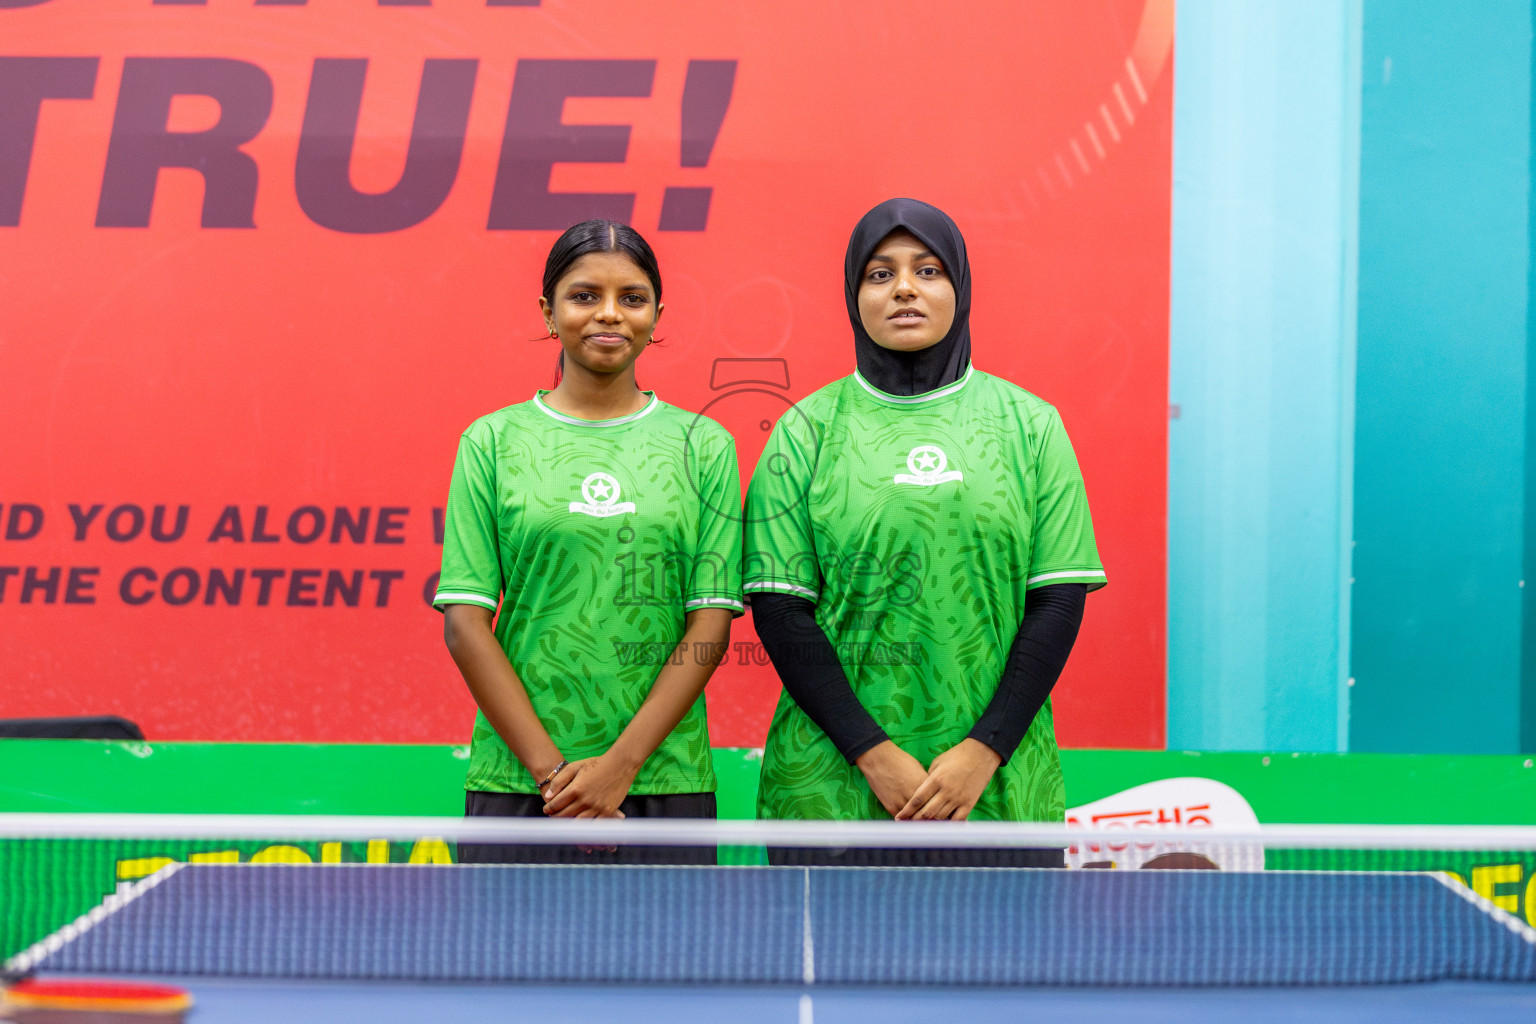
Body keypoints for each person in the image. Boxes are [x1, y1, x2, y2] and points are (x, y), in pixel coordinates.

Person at [743, 198, 1105, 865]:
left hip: (996, 795)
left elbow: (1056, 601)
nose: (905, 287)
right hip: (833, 795)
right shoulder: (805, 430)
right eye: (880, 274)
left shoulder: (1030, 426)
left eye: (929, 270)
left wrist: (984, 750)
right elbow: (780, 610)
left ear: (960, 289)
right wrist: (874, 756)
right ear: (854, 296)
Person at [435, 220, 743, 864]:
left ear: (658, 314)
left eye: (632, 298)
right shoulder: (491, 442)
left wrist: (619, 768)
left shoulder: (704, 445)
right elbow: (466, 623)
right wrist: (555, 777)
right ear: (548, 312)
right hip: (520, 786)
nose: (609, 313)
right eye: (583, 296)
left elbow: (710, 624)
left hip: (666, 782)